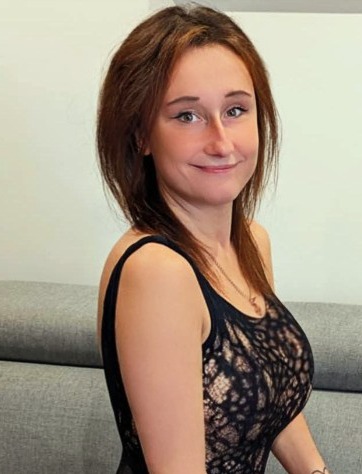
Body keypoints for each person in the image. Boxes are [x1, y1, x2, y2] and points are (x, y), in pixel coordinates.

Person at [96, 5, 329, 474]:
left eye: (235, 110)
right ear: (141, 135)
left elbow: (269, 388)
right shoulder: (158, 272)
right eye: (187, 116)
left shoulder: (251, 243)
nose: (222, 142)